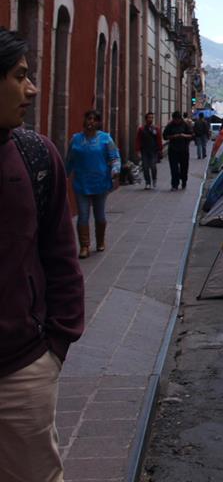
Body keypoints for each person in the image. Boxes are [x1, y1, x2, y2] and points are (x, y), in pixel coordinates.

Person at [0, 27, 84, 481]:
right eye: (20, 75)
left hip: (20, 366)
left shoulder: (35, 155)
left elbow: (60, 254)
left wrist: (55, 344)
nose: (31, 88)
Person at [65, 110, 121, 257]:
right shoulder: (76, 139)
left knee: (100, 215)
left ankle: (100, 240)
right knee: (83, 215)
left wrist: (115, 169)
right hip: (81, 183)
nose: (91, 122)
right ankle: (84, 246)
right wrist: (64, 175)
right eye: (88, 119)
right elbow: (69, 160)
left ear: (98, 123)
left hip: (100, 182)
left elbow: (115, 157)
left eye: (94, 119)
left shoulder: (105, 139)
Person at [163, 110, 193, 190]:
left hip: (184, 150)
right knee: (174, 168)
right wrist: (173, 136)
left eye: (177, 119)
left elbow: (191, 135)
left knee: (184, 167)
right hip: (173, 150)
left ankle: (184, 181)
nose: (176, 121)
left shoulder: (185, 125)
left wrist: (183, 135)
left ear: (180, 119)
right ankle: (174, 184)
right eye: (174, 119)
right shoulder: (170, 125)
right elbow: (165, 136)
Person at [135, 111, 163, 190]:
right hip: (144, 151)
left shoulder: (156, 129)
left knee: (153, 166)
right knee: (145, 167)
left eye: (152, 118)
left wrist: (160, 149)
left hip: (153, 151)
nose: (151, 119)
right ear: (146, 119)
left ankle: (154, 178)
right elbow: (138, 140)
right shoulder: (141, 129)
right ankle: (147, 182)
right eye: (149, 118)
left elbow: (159, 139)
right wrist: (137, 150)